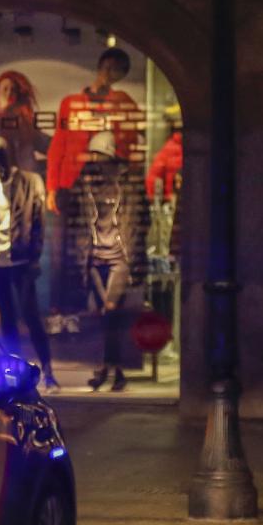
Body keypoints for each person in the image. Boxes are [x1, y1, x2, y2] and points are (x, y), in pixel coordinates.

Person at [45, 48, 141, 333]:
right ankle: (60, 310)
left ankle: (83, 309)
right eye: (110, 67)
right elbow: (59, 145)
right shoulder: (71, 103)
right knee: (63, 251)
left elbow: (130, 144)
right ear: (101, 66)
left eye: (119, 71)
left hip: (101, 184)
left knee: (89, 250)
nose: (112, 74)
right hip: (70, 183)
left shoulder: (124, 103)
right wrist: (52, 186)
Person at [0, 135, 59, 392]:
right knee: (7, 319)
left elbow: (38, 222)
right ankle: (17, 373)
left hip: (20, 259)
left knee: (31, 316)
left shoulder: (29, 182)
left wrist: (34, 256)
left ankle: (48, 370)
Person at [74, 131, 147, 392]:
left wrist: (137, 258)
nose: (95, 159)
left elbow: (142, 219)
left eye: (99, 155)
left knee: (110, 309)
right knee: (105, 317)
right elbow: (80, 218)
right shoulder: (86, 181)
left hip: (119, 256)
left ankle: (110, 369)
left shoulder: (128, 181)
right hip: (94, 257)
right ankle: (113, 370)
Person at [0, 70, 50, 174]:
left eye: (13, 90)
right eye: (5, 89)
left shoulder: (23, 122)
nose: (8, 93)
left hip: (23, 177)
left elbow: (45, 143)